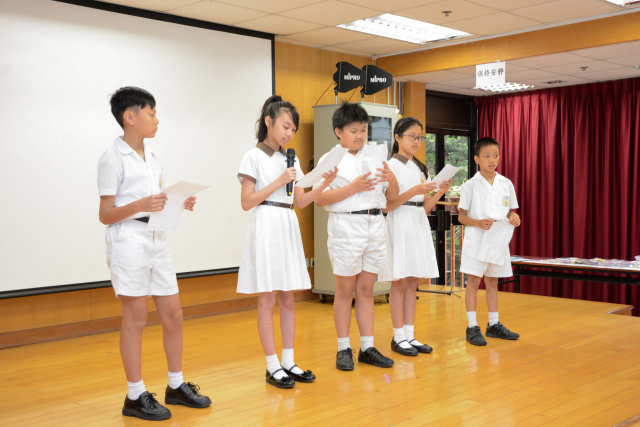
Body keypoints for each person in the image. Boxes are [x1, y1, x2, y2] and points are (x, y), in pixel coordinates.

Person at [97, 87, 211, 421]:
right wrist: (141, 205)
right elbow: (105, 214)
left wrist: (178, 202)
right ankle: (134, 395)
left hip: (157, 238)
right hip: (128, 241)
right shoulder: (112, 158)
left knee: (174, 315)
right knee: (135, 318)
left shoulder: (154, 156)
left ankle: (175, 386)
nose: (157, 120)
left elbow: (156, 202)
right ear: (129, 117)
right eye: (151, 113)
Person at [237, 95, 337, 388]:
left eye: (293, 129)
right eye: (285, 126)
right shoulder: (252, 157)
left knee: (288, 297)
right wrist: (279, 181)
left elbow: (301, 200)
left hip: (287, 223)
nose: (289, 133)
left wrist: (324, 183)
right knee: (267, 298)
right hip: (266, 221)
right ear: (268, 122)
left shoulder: (290, 159)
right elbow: (246, 202)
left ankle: (289, 362)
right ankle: (272, 366)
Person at [315, 101, 399, 371]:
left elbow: (391, 197)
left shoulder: (376, 156)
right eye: (354, 131)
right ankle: (343, 349)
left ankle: (367, 347)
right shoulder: (330, 159)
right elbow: (319, 199)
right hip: (346, 226)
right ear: (338, 131)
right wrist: (353, 187)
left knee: (366, 290)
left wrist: (392, 178)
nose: (360, 136)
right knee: (344, 290)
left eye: (363, 130)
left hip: (375, 224)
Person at [382, 117, 451, 357]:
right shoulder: (390, 166)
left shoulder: (420, 168)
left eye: (420, 137)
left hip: (417, 222)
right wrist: (414, 191)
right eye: (412, 136)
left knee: (413, 282)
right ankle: (398, 336)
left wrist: (440, 191)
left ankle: (410, 335)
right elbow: (387, 205)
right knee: (399, 281)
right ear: (397, 137)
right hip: (399, 221)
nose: (417, 141)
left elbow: (425, 207)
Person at [458, 137, 522, 346]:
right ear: (477, 158)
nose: (492, 160)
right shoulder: (470, 185)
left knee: (493, 281)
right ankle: (472, 327)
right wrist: (478, 223)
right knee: (474, 281)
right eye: (486, 156)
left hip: (498, 239)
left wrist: (514, 217)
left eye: (495, 155)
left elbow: (509, 211)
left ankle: (494, 324)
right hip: (477, 238)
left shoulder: (506, 183)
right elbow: (461, 217)